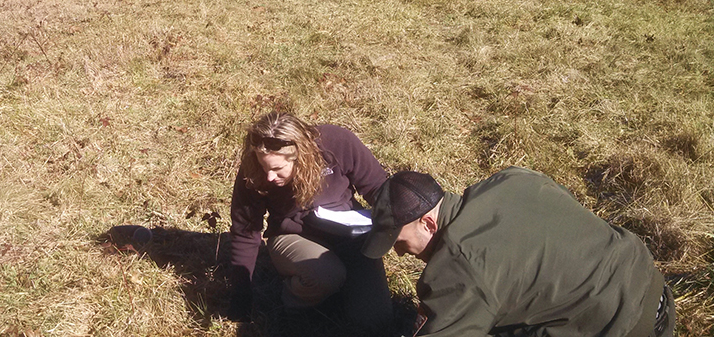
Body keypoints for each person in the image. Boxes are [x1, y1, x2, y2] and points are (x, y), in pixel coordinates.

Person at [363, 167, 675, 337]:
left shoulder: (457, 267)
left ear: (428, 223)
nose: (401, 255)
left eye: (399, 242)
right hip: (654, 287)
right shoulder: (511, 178)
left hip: (624, 327)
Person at [227, 112, 394, 333]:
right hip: (293, 235)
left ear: (301, 155)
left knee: (374, 321)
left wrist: (399, 231)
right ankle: (295, 303)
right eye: (264, 167)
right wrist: (241, 294)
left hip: (350, 234)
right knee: (325, 275)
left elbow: (379, 190)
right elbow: (245, 230)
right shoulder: (253, 169)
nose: (269, 176)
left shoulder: (338, 143)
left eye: (277, 169)